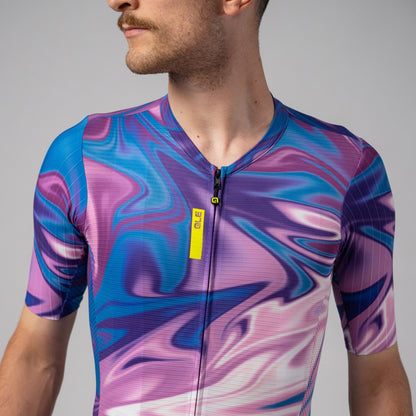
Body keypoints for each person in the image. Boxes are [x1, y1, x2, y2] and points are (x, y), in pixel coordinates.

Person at [0, 0, 413, 415]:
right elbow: (35, 356)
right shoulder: (86, 158)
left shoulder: (347, 171)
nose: (116, 1)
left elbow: (377, 377)